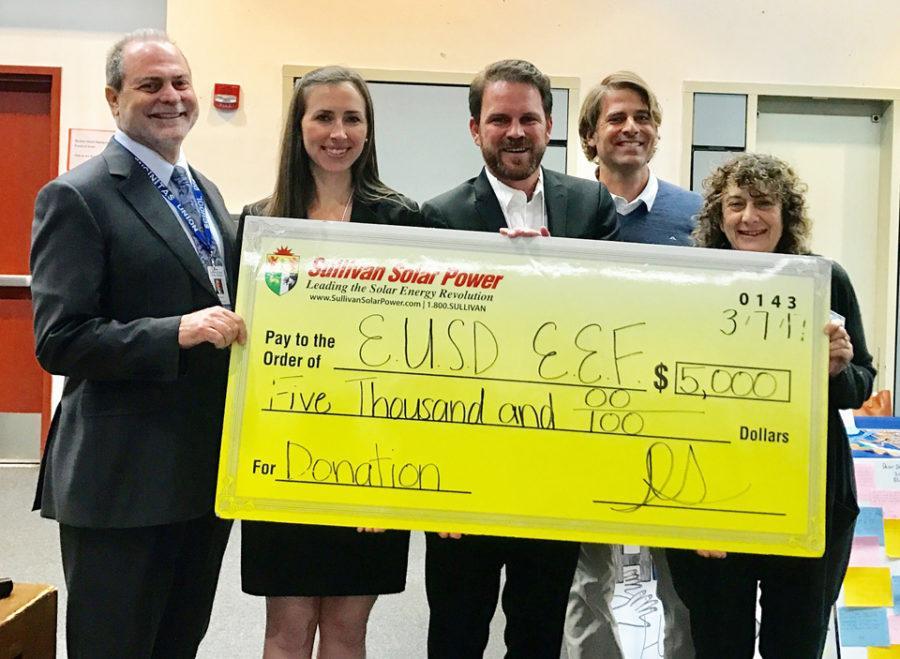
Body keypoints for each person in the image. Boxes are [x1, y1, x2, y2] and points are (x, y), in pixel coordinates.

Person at [30, 29, 246, 657]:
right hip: (120, 479)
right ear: (113, 97)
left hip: (199, 475)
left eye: (180, 82)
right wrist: (176, 331)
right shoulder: (78, 195)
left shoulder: (204, 192)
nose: (170, 97)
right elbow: (59, 338)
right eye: (150, 85)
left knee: (179, 643)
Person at [420, 58, 619, 658]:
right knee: (456, 628)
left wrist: (553, 271)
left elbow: (616, 312)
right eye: (499, 118)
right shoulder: (440, 217)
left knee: (537, 633)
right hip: (467, 463)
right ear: (475, 128)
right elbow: (424, 350)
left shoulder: (591, 206)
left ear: (550, 124)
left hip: (553, 463)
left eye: (528, 118)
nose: (515, 132)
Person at [238, 65, 422, 659]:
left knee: (347, 631)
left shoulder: (401, 220)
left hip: (372, 456)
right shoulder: (259, 223)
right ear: (298, 127)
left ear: (368, 131)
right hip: (282, 450)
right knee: (285, 632)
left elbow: (421, 341)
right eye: (323, 116)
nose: (337, 132)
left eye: (352, 118)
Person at [665, 153, 875, 658]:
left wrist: (837, 371)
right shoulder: (689, 282)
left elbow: (861, 383)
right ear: (717, 214)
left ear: (787, 214)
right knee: (718, 643)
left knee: (797, 644)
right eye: (735, 204)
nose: (748, 217)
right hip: (712, 495)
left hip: (809, 497)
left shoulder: (824, 279)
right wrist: (691, 515)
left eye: (764, 204)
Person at [565, 71, 699, 659]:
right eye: (615, 118)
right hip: (584, 424)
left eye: (642, 117)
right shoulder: (566, 210)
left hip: (675, 424)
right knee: (587, 577)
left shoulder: (698, 216)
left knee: (674, 581)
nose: (631, 128)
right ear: (590, 136)